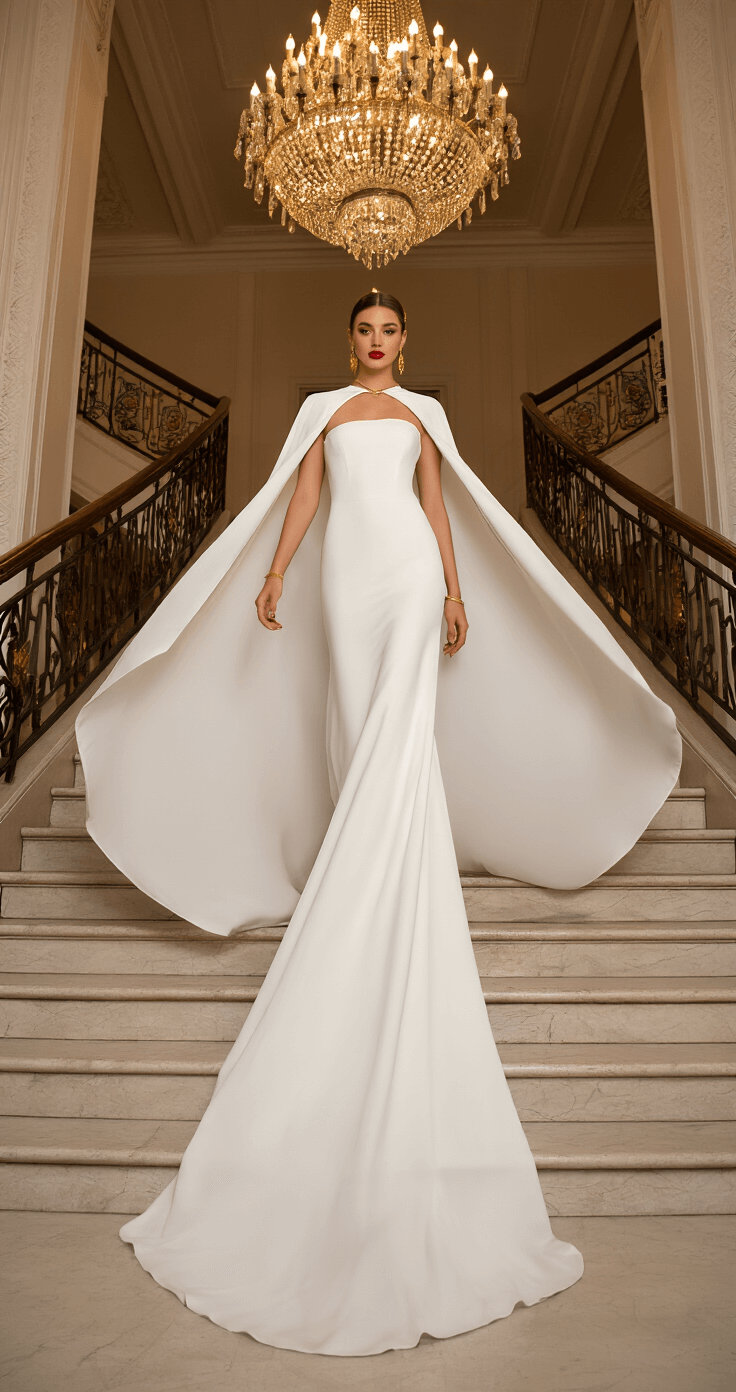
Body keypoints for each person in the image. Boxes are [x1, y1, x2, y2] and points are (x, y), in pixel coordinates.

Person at [76, 289, 681, 1357]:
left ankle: (381, 892)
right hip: (340, 587)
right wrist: (272, 571)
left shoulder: (423, 419)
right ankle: (368, 883)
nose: (375, 343)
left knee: (401, 743)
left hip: (403, 579)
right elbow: (300, 502)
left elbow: (438, 509)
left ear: (407, 342)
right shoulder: (319, 409)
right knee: (361, 741)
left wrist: (451, 591)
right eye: (364, 330)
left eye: (389, 332)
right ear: (347, 339)